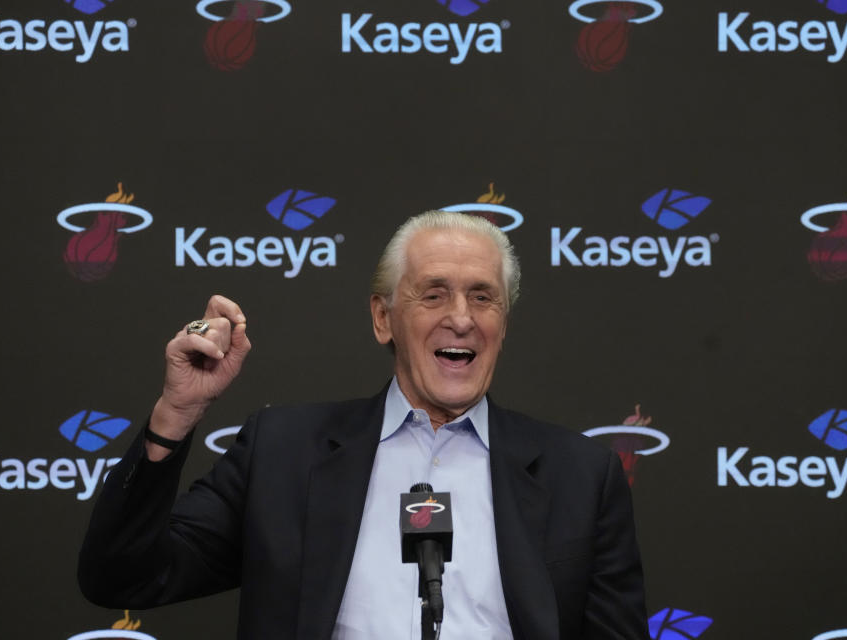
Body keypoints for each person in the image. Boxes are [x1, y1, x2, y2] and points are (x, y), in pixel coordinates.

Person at [78, 211, 649, 640]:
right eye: (433, 294)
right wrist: (176, 415)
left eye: (483, 297)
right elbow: (123, 579)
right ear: (384, 319)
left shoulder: (581, 476)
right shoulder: (283, 452)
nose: (461, 318)